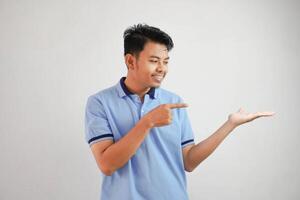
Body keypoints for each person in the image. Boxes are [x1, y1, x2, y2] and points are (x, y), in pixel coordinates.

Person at [84, 23, 275, 200]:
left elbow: (189, 162)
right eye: (154, 61)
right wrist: (147, 122)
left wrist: (230, 124)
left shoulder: (174, 102)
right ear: (130, 61)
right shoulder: (99, 103)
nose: (162, 69)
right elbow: (107, 165)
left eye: (166, 61)